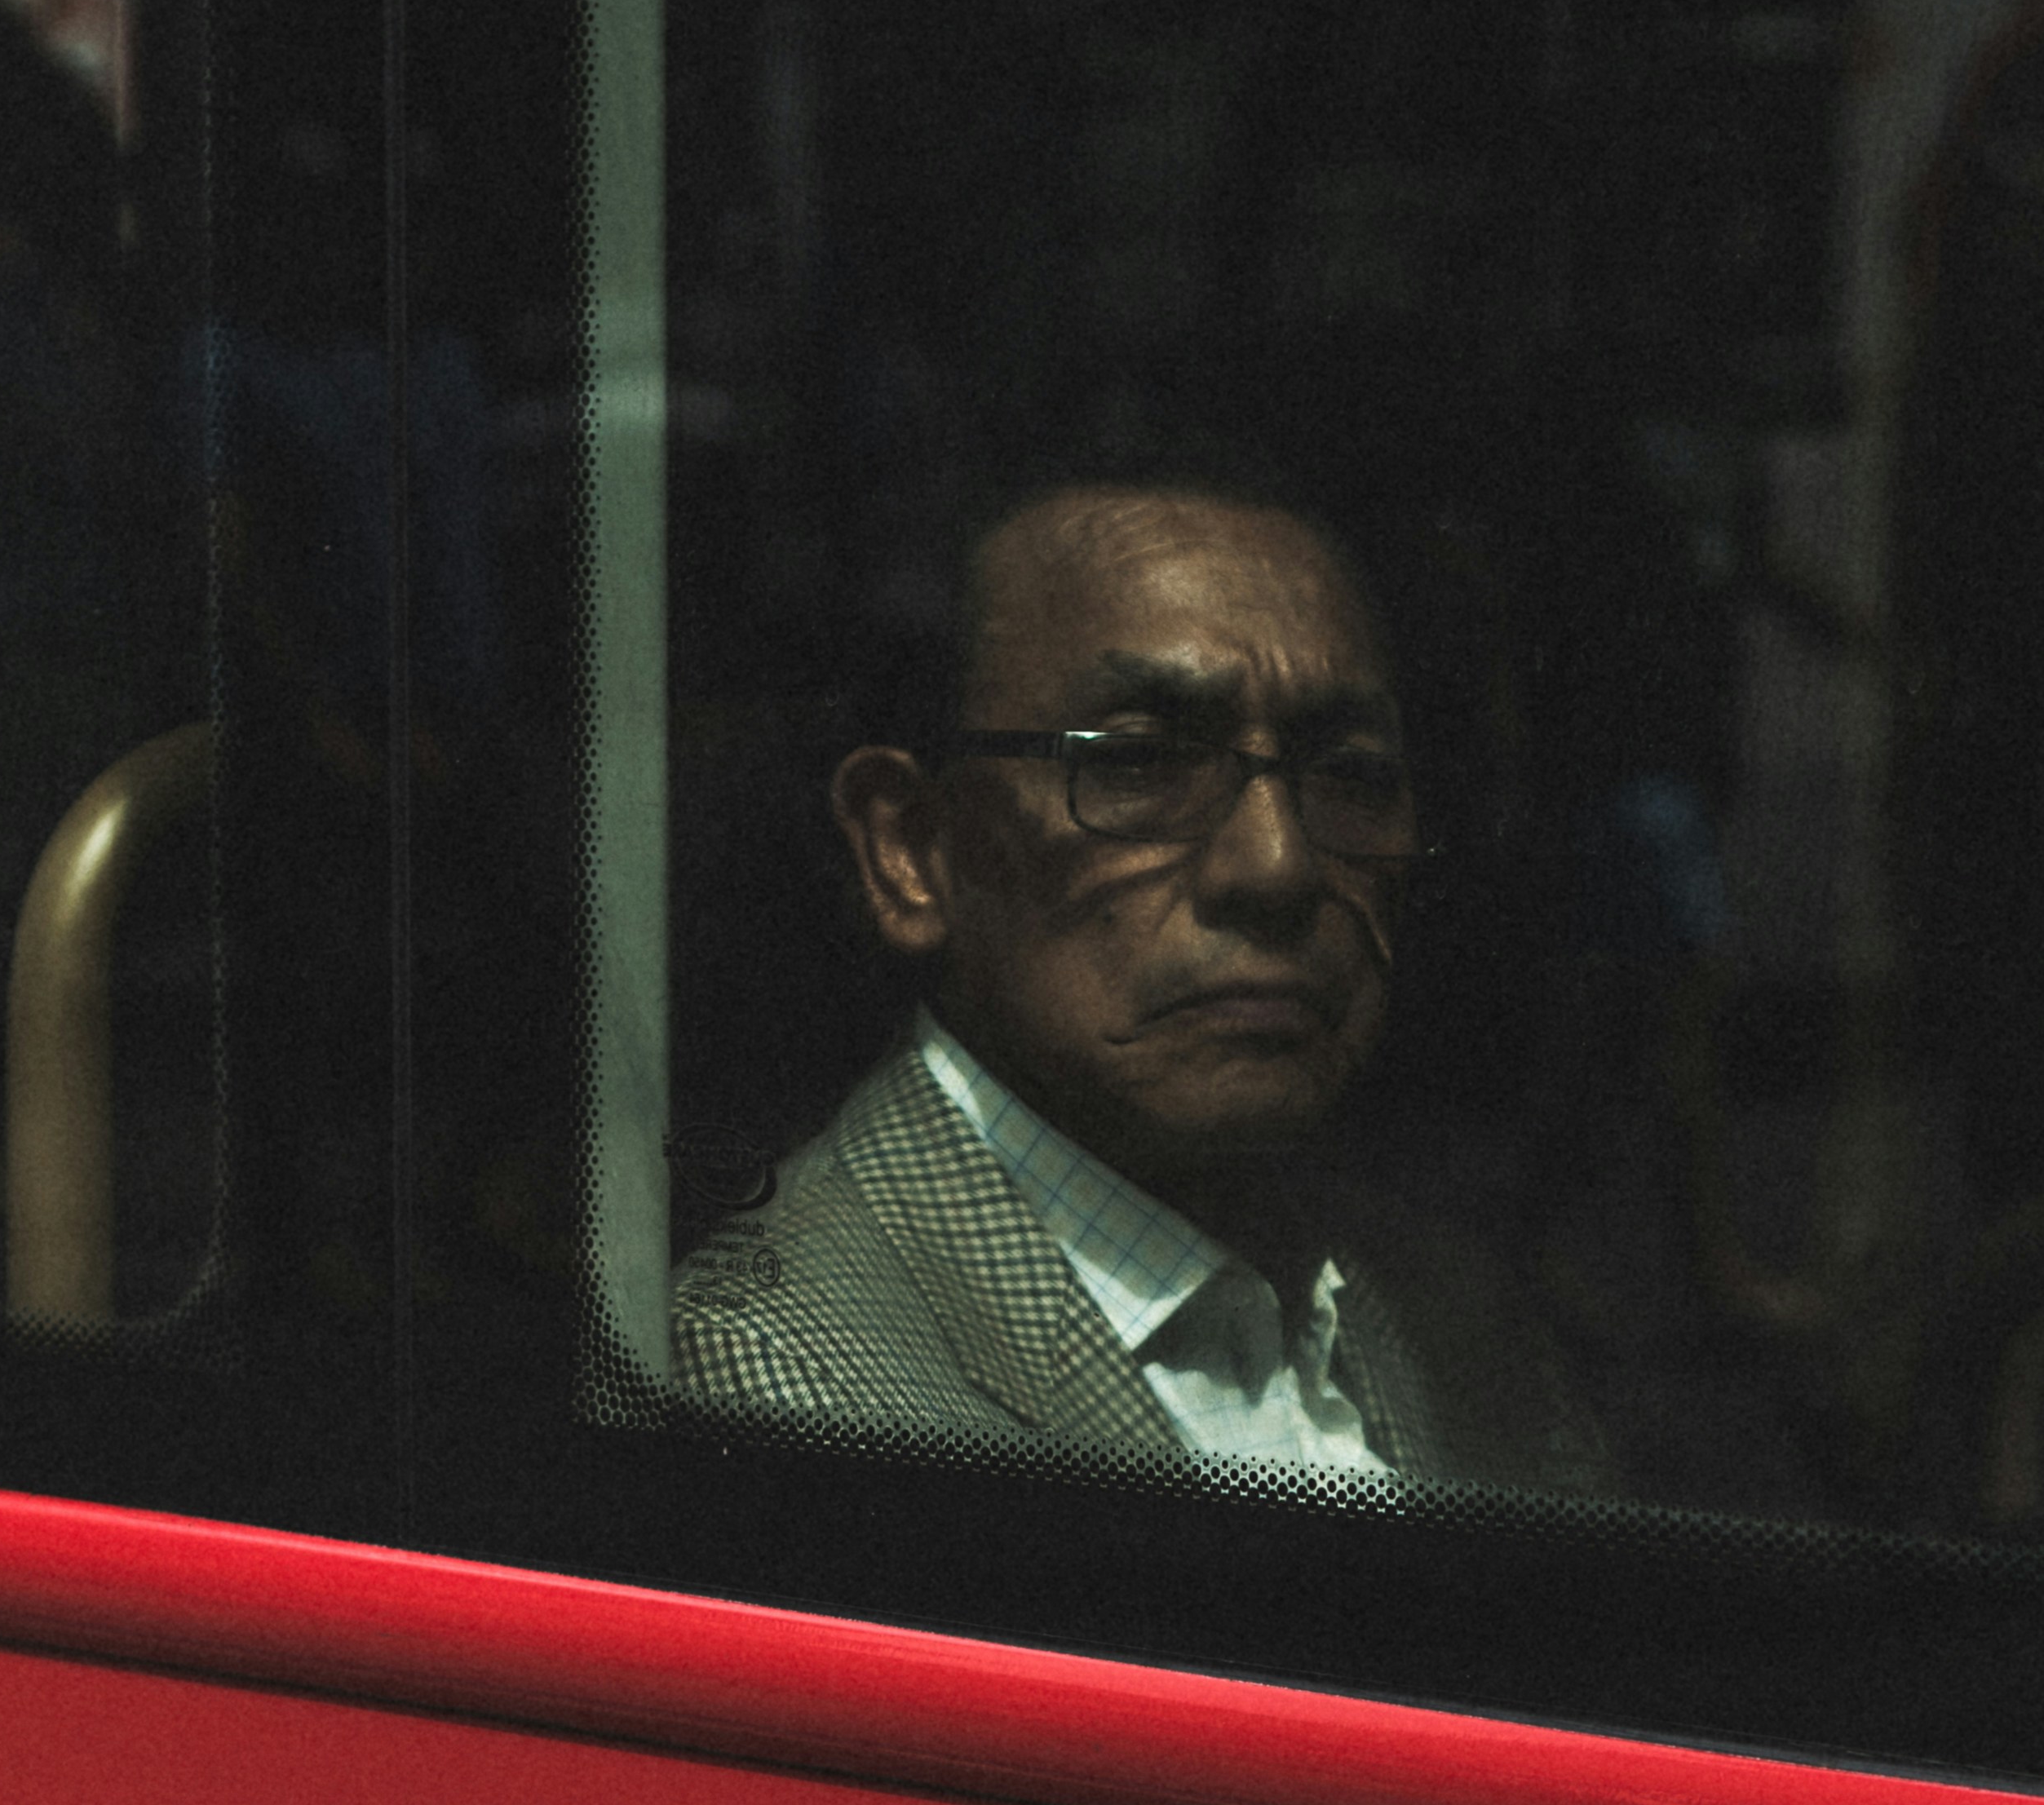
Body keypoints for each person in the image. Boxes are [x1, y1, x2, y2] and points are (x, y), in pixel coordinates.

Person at [672, 473, 1605, 1492]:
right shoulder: (782, 1377)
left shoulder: (1453, 1315)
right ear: (911, 848)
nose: (1278, 865)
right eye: (1142, 762)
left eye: (1349, 771)